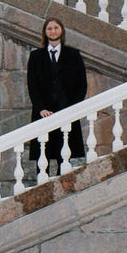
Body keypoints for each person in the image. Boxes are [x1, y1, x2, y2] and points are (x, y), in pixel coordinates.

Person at [25, 15, 89, 169]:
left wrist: (71, 108)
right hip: (43, 113)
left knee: (64, 155)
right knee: (43, 155)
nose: (53, 31)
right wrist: (41, 108)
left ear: (61, 31)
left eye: (56, 28)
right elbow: (32, 85)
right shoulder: (36, 56)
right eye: (49, 28)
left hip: (66, 111)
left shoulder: (73, 55)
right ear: (45, 32)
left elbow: (82, 85)